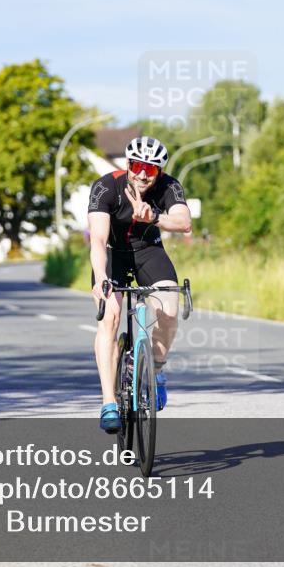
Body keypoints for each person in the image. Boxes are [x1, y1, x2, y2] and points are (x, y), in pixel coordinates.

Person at [87, 136, 192, 433]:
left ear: (159, 171)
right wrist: (102, 277)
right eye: (137, 166)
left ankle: (155, 369)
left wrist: (155, 216)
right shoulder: (106, 186)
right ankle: (109, 401)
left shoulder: (169, 186)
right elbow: (97, 239)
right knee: (110, 317)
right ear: (128, 164)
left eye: (151, 168)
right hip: (112, 254)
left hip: (149, 251)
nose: (143, 174)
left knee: (169, 309)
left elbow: (184, 222)